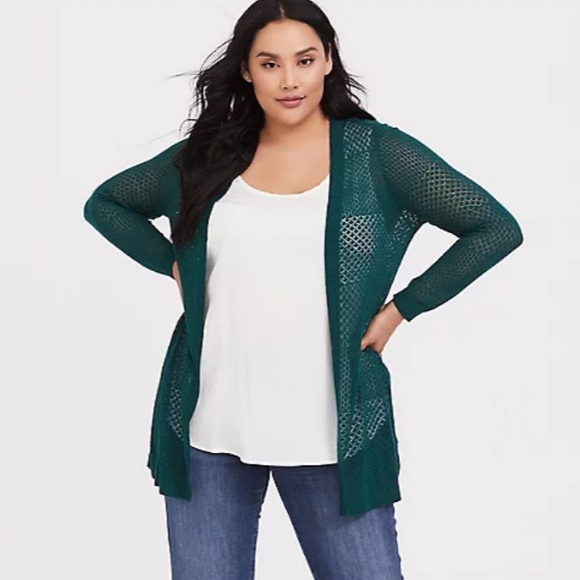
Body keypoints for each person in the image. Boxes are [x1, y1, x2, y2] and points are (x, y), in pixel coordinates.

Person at [83, 1, 524, 578]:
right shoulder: (208, 157)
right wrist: (171, 264)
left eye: (305, 60)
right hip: (210, 427)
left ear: (328, 61)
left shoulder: (377, 153)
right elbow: (107, 204)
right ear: (247, 70)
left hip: (331, 435)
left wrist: (402, 309)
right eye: (270, 64)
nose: (289, 80)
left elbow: (494, 228)